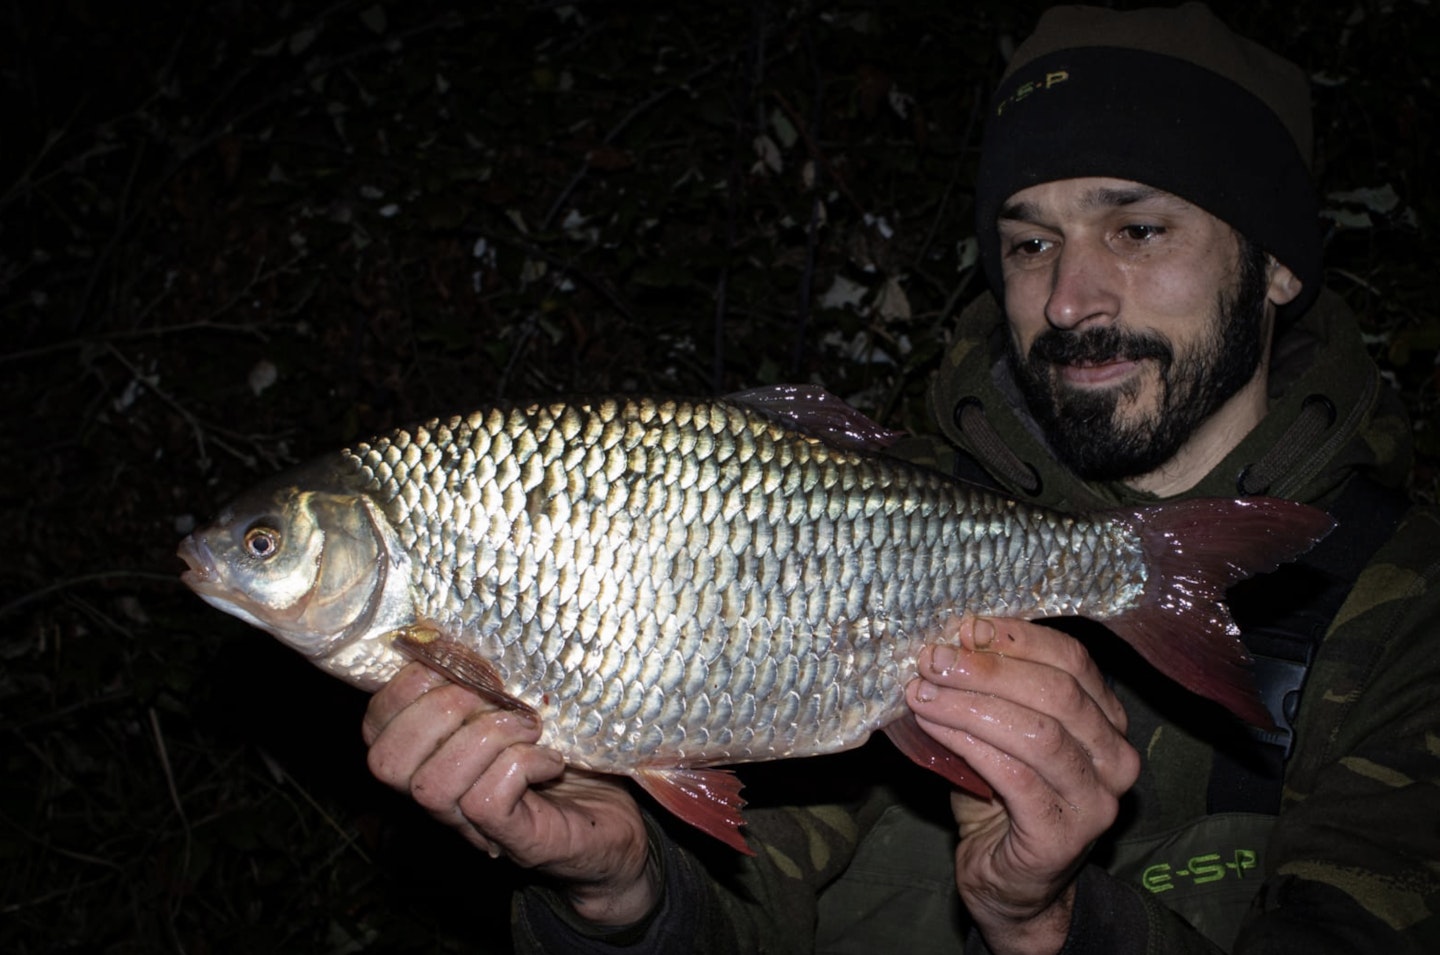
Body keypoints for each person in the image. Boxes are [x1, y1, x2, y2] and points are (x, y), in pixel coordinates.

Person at [362, 4, 1440, 952]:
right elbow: (745, 903)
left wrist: (1057, 925)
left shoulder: (1407, 609)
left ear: (1281, 262)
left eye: (1137, 227)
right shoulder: (845, 532)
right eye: (1028, 243)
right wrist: (622, 894)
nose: (1070, 296)